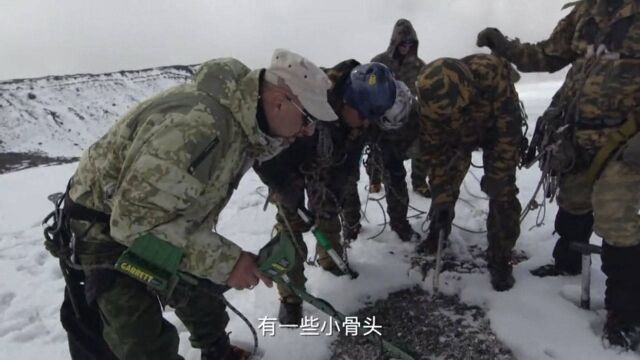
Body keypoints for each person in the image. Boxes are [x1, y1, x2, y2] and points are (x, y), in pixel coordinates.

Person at [52, 49, 336, 360]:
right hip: (105, 232)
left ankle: (217, 351)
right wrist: (229, 263)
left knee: (200, 294)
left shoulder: (246, 124)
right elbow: (134, 222)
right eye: (308, 119)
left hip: (161, 221)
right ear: (280, 101)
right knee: (140, 342)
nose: (309, 130)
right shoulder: (199, 126)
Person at [477, 0, 640, 349]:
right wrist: (505, 46)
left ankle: (625, 315)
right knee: (573, 201)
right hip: (578, 136)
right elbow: (547, 55)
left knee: (616, 218)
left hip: (627, 142)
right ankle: (566, 263)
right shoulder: (585, 12)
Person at [254, 61, 413, 324]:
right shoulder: (306, 100)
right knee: (291, 225)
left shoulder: (364, 112)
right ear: (347, 102)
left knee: (327, 211)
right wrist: (287, 192)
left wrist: (335, 193)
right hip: (286, 162)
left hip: (326, 163)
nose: (364, 124)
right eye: (363, 118)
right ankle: (291, 297)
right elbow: (266, 155)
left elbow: (350, 154)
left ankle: (331, 261)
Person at [415, 54, 524, 292]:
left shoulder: (491, 74)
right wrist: (442, 197)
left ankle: (500, 257)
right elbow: (436, 154)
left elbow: (508, 132)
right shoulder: (430, 103)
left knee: (501, 190)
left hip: (496, 127)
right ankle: (438, 231)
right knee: (444, 185)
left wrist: (498, 175)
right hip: (456, 136)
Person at [369, 18, 429, 197]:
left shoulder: (419, 65)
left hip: (410, 115)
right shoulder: (379, 62)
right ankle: (375, 179)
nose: (406, 46)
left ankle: (419, 182)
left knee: (422, 144)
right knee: (377, 149)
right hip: (383, 116)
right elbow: (369, 87)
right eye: (403, 42)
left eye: (410, 43)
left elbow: (426, 89)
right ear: (395, 41)